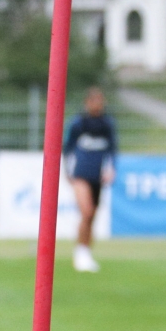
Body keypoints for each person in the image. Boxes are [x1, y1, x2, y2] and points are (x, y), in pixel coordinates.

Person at [61, 87, 118, 273]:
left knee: (92, 215)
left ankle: (86, 251)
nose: (97, 105)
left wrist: (111, 169)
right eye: (93, 101)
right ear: (87, 103)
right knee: (86, 211)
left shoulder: (107, 124)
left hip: (98, 176)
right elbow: (68, 148)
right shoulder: (78, 123)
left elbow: (112, 150)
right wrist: (67, 171)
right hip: (81, 174)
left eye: (100, 101)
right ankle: (80, 253)